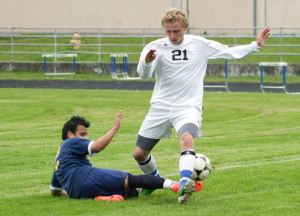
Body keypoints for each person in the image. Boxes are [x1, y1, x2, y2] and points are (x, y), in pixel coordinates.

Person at [133, 8, 270, 204]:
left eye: (177, 31)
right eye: (169, 31)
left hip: (188, 105)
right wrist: (147, 63)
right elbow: (143, 75)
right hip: (160, 106)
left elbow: (229, 52)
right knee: (139, 154)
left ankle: (184, 184)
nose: (172, 35)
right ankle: (152, 181)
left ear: (185, 28)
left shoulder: (199, 44)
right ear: (164, 29)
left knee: (187, 137)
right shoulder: (154, 47)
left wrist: (255, 45)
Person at [50, 112, 181, 201]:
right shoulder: (71, 142)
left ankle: (103, 198)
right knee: (130, 180)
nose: (85, 138)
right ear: (70, 134)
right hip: (87, 176)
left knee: (131, 191)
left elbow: (55, 191)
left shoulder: (57, 160)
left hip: (78, 194)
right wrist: (115, 128)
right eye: (82, 134)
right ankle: (174, 185)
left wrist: (72, 192)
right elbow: (96, 147)